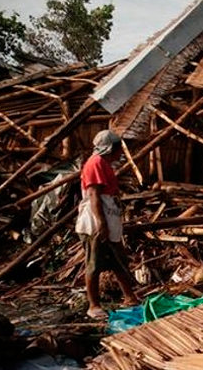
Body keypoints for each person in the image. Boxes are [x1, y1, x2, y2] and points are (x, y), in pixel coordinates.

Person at [75, 130, 139, 319]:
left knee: (118, 261)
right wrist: (101, 223)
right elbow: (94, 194)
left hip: (108, 222)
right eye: (119, 149)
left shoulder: (104, 164)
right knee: (94, 264)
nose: (121, 153)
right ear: (111, 148)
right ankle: (93, 305)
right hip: (95, 223)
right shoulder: (95, 164)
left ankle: (130, 297)